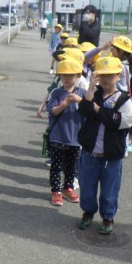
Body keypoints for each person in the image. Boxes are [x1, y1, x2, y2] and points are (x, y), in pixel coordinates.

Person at [76, 56, 132, 234]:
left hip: (112, 155)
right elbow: (84, 111)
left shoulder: (123, 99)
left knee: (110, 188)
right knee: (87, 186)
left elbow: (120, 121)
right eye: (102, 75)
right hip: (90, 152)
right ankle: (88, 212)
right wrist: (90, 90)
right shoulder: (94, 95)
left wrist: (98, 109)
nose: (106, 79)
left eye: (110, 75)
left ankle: (108, 217)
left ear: (118, 76)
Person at [46, 59, 86, 206]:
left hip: (76, 138)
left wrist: (79, 100)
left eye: (71, 75)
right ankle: (56, 191)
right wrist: (65, 103)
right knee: (56, 166)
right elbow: (53, 112)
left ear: (78, 76)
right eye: (64, 75)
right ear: (59, 76)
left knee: (71, 166)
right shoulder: (56, 93)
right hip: (58, 136)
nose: (67, 78)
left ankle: (68, 188)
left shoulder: (83, 93)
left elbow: (90, 109)